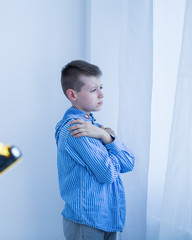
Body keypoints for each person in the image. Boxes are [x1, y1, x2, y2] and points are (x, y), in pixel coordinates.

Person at [55, 60, 135, 240]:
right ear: (72, 95)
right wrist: (107, 142)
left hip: (105, 219)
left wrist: (106, 137)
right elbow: (107, 173)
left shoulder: (94, 128)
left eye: (101, 87)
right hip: (88, 222)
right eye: (93, 90)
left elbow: (129, 163)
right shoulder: (77, 129)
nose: (101, 94)